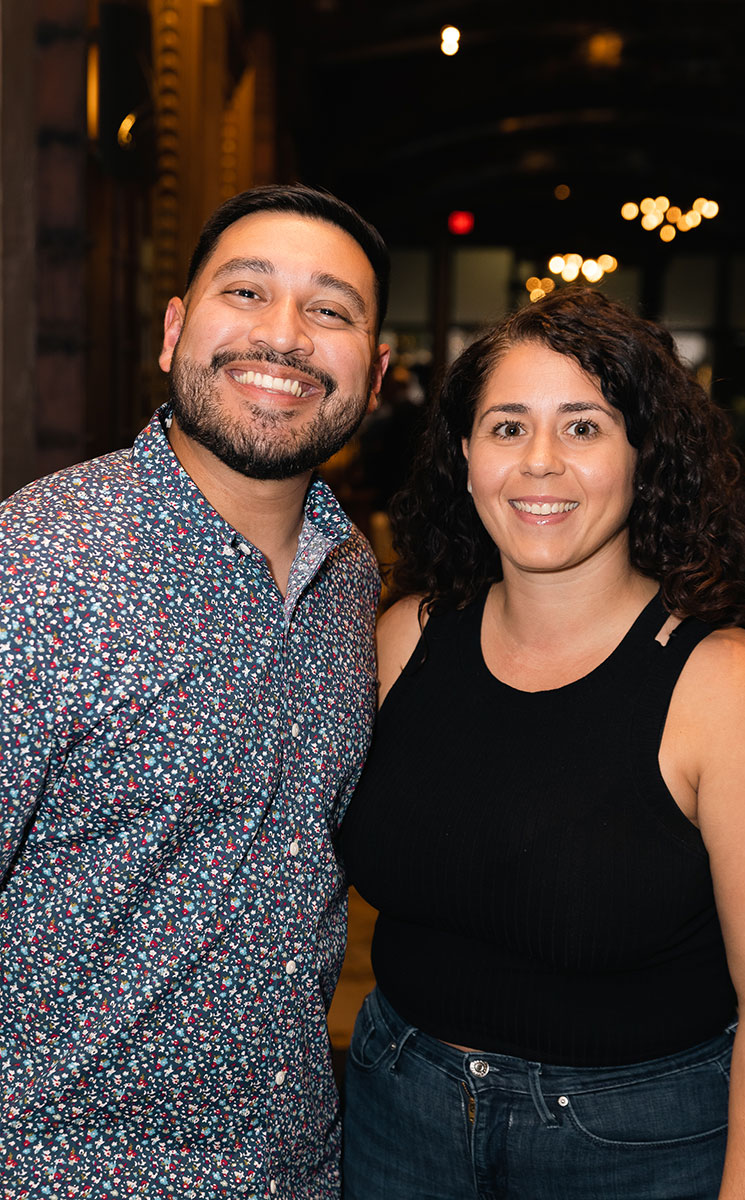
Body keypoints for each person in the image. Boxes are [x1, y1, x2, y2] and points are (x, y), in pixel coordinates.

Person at [339, 288, 745, 1200]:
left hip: (633, 1144)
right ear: (466, 454)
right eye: (507, 427)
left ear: (642, 454)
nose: (539, 461)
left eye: (583, 427)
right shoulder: (404, 639)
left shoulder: (729, 687)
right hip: (396, 1109)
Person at [0, 184, 390, 1198]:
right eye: (246, 291)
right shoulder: (39, 566)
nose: (285, 336)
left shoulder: (350, 577)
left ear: (375, 373)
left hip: (294, 1167)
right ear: (175, 329)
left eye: (330, 310)